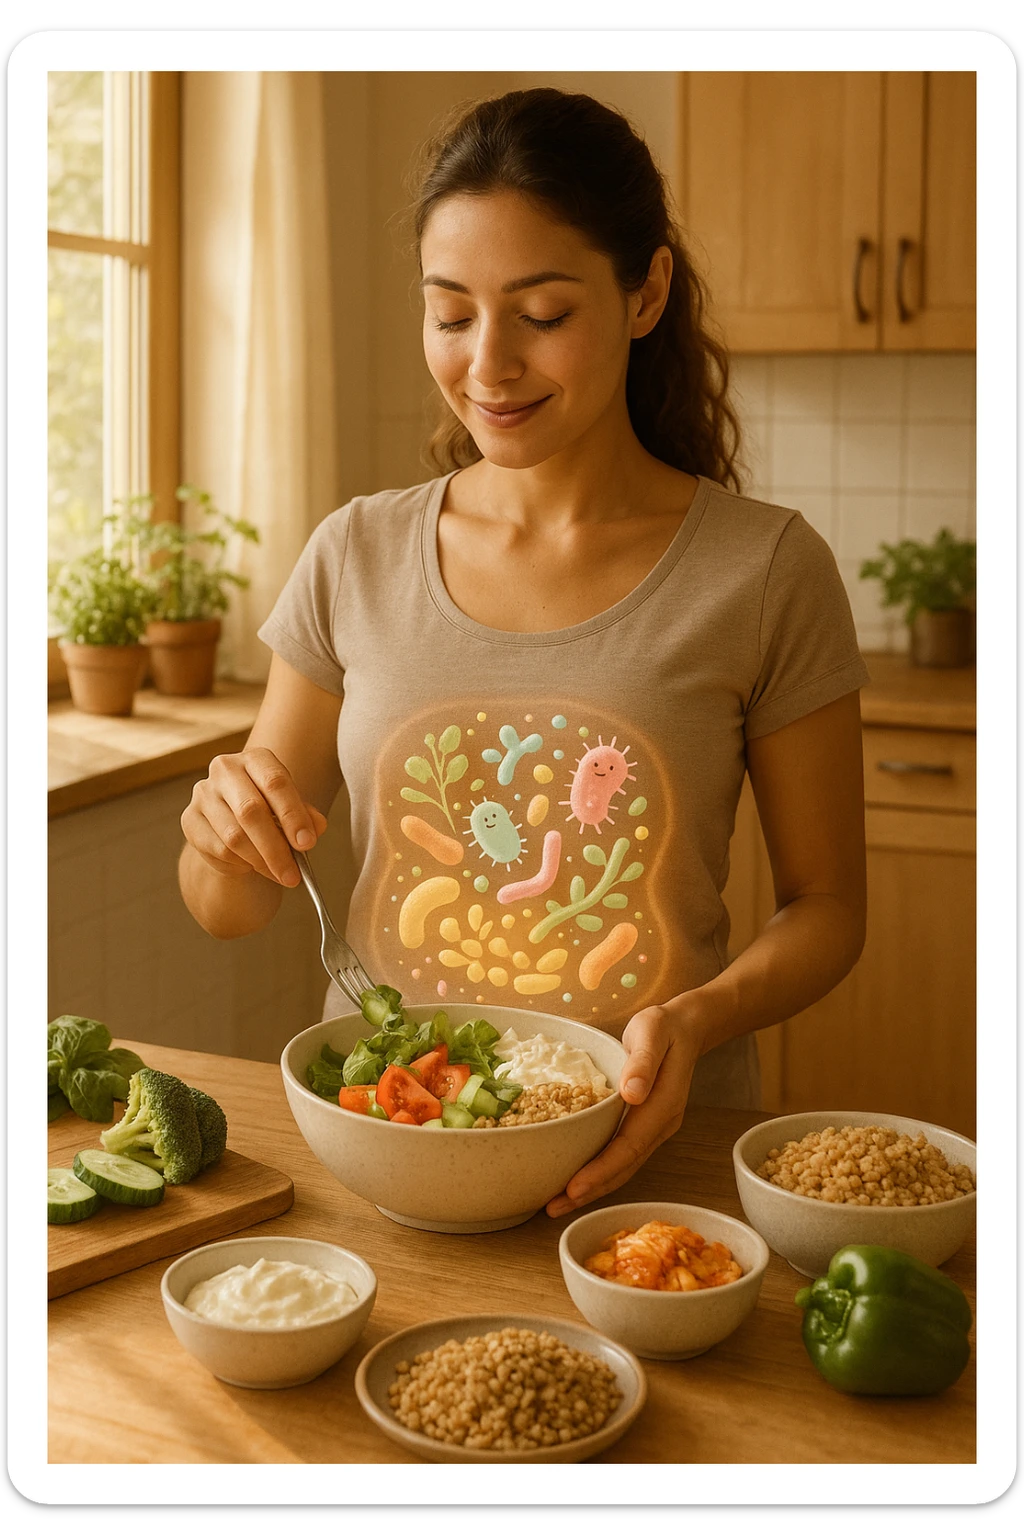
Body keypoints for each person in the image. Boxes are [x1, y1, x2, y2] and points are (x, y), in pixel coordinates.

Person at [179, 88, 869, 1218]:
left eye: (541, 313)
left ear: (644, 293)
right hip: (391, 1139)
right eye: (451, 316)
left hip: (648, 1155)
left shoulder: (763, 571)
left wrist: (694, 1018)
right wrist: (222, 830)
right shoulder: (355, 552)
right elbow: (231, 906)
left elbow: (828, 906)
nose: (487, 364)